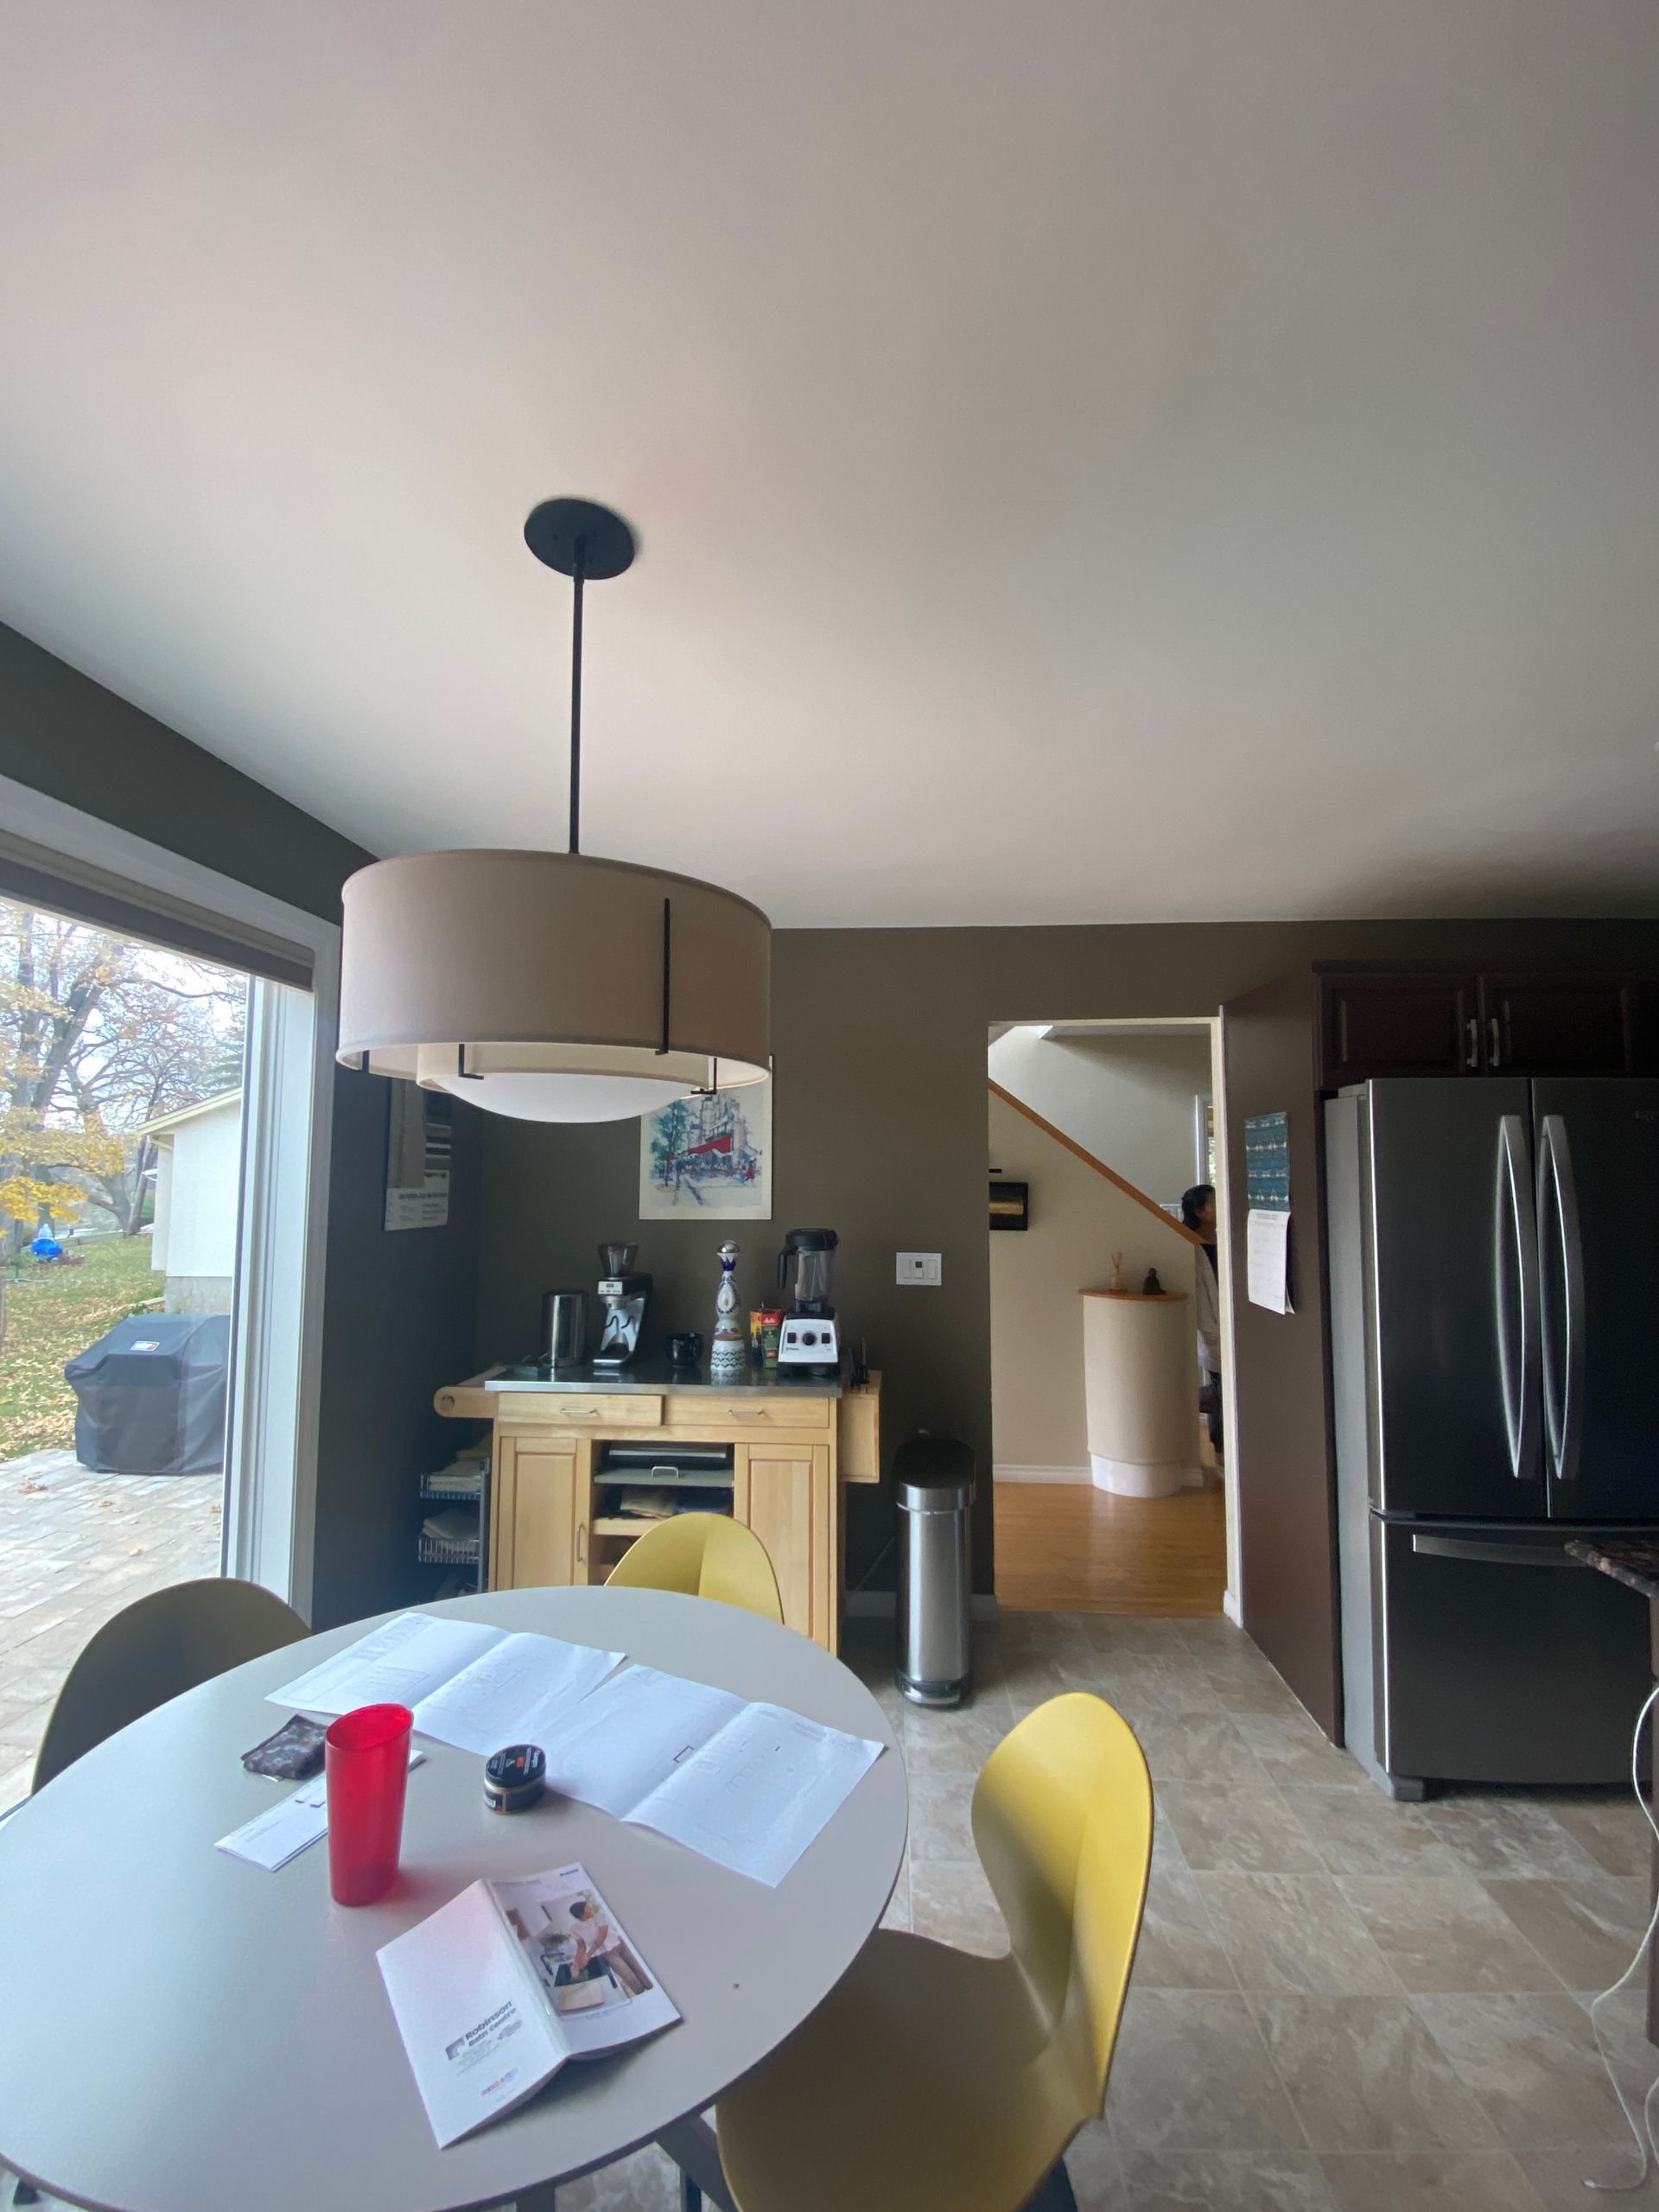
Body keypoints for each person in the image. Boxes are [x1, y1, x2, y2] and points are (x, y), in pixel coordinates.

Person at [1181, 1183, 1223, 1460]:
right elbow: (1203, 1300)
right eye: (1214, 1203)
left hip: (1228, 1327)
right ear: (1201, 1212)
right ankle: (1221, 1451)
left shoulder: (1222, 1242)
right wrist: (1213, 1333)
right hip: (1215, 1332)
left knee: (1223, 1391)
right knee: (1221, 1392)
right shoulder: (1193, 1249)